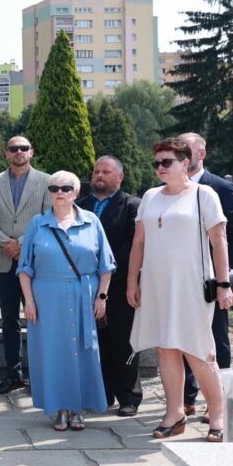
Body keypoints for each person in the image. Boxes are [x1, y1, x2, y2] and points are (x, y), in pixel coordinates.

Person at [128, 137, 231, 442]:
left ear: (185, 163)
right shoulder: (149, 196)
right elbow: (139, 242)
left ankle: (217, 412)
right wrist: (132, 280)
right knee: (165, 347)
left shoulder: (204, 194)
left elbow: (219, 241)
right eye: (156, 162)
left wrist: (224, 283)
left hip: (190, 284)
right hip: (156, 284)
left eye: (166, 162)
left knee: (199, 350)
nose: (160, 167)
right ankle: (174, 413)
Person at [18, 170, 115, 431]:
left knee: (83, 351)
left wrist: (101, 297)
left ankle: (78, 407)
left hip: (84, 296)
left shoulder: (92, 221)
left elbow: (106, 265)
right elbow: (25, 268)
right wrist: (28, 301)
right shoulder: (37, 224)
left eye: (65, 188)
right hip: (47, 300)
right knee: (53, 353)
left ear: (76, 192)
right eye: (53, 188)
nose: (59, 192)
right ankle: (59, 407)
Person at [179, 132, 233, 422]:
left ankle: (219, 400)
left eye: (187, 150)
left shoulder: (220, 187)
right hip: (179, 277)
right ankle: (187, 399)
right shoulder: (167, 188)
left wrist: (232, 280)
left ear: (201, 154)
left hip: (212, 278)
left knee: (215, 339)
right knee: (180, 338)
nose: (182, 154)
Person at [0, 135, 51, 395]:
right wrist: (6, 244)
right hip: (3, 262)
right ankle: (14, 375)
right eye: (14, 149)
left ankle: (41, 375)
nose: (19, 152)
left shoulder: (46, 181)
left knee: (37, 319)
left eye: (23, 148)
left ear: (31, 152)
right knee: (9, 320)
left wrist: (21, 242)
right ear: (7, 153)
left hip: (35, 261)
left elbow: (47, 217)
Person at [77, 157, 142, 416]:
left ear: (120, 177)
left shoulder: (132, 206)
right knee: (97, 343)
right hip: (88, 286)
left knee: (124, 342)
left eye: (106, 172)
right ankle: (102, 393)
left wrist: (106, 268)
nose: (99, 176)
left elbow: (132, 245)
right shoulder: (81, 206)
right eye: (96, 171)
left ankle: (129, 397)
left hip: (120, 285)